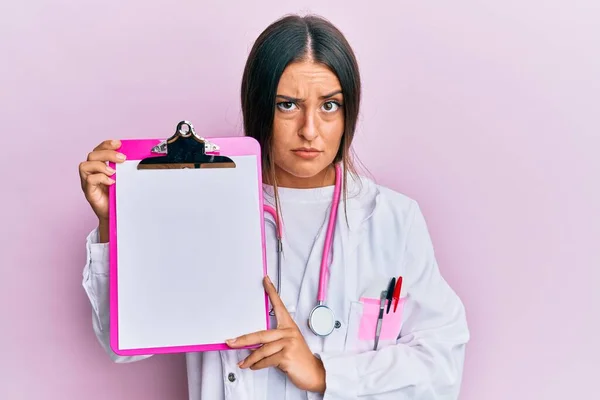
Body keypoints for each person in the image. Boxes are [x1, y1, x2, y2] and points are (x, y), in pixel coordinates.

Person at [78, 13, 470, 400]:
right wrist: (117, 225)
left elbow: (441, 366)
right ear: (259, 106)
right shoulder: (199, 207)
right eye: (287, 105)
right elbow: (127, 342)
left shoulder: (393, 220)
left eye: (329, 106)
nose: (310, 129)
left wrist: (322, 372)